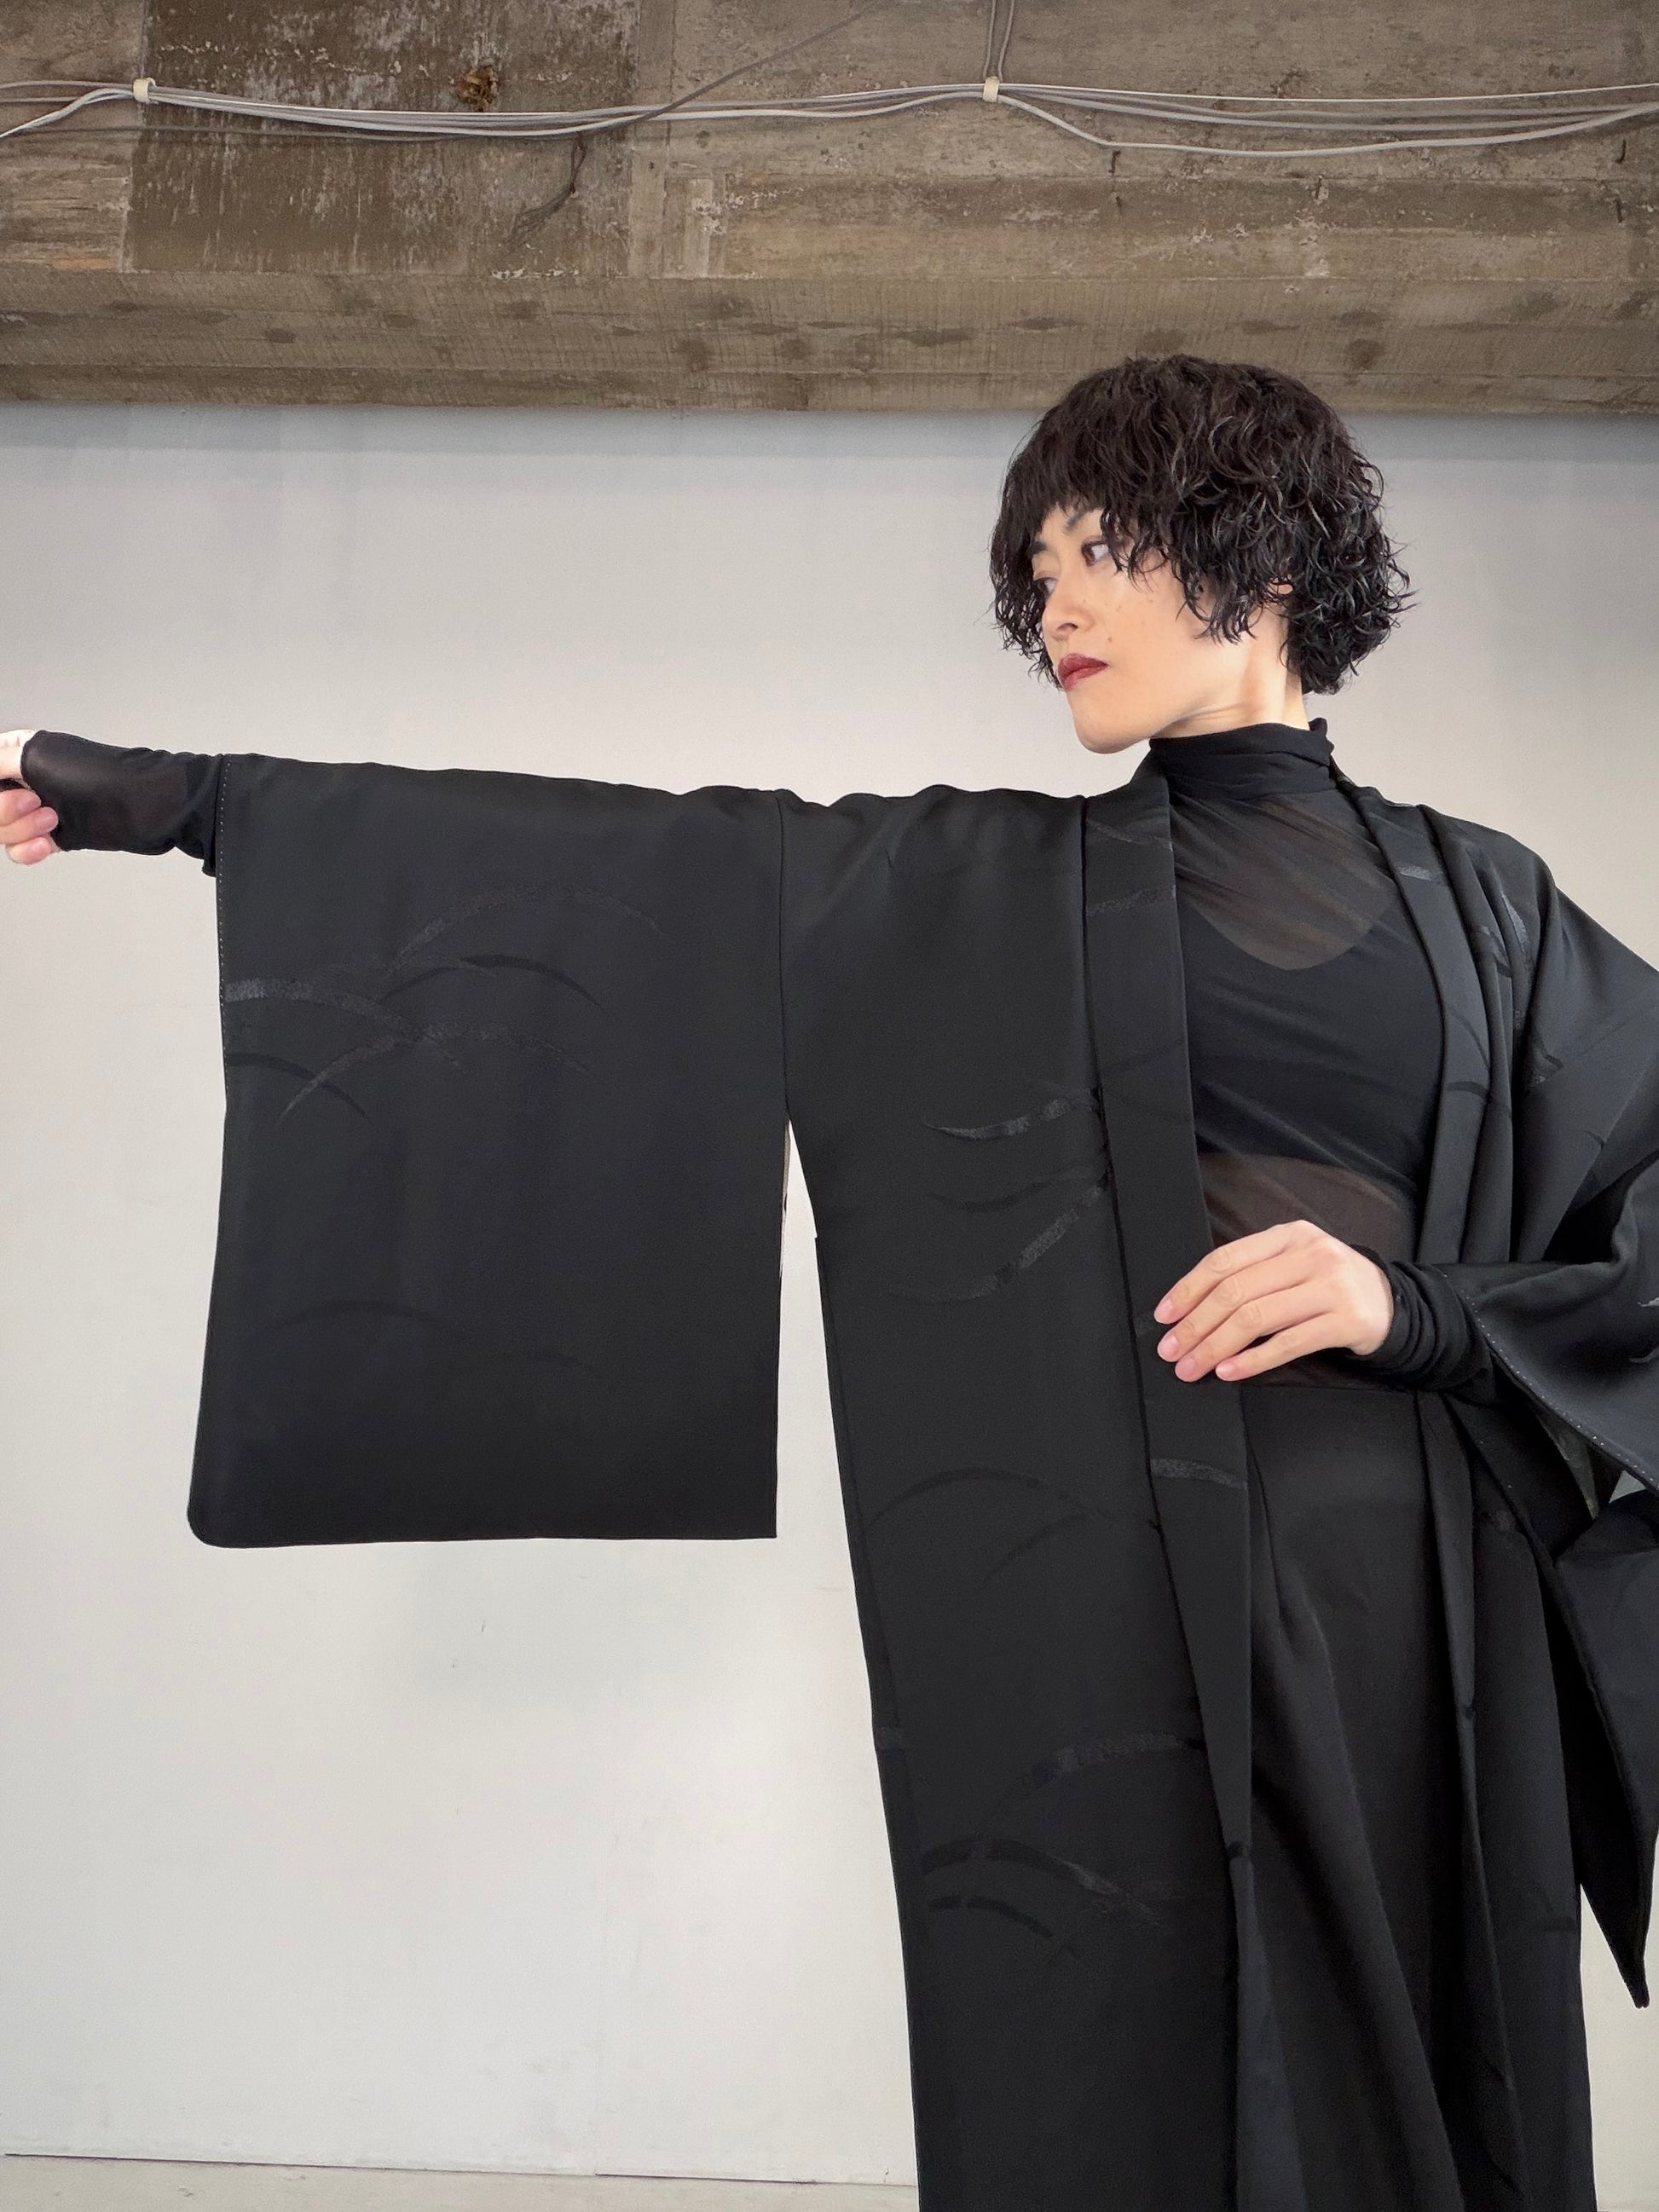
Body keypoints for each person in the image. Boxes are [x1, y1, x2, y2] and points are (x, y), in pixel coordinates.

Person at [5, 355, 1655, 2212]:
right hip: (1110, 1596)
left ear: (1266, 559)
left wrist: (1412, 1309)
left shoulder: (1486, 904)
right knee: (1123, 2059)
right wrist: (184, 800)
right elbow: (650, 867)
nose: (1056, 605)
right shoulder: (990, 886)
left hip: (1419, 1600)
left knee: (1422, 2074)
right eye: (1038, 569)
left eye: (1102, 550)